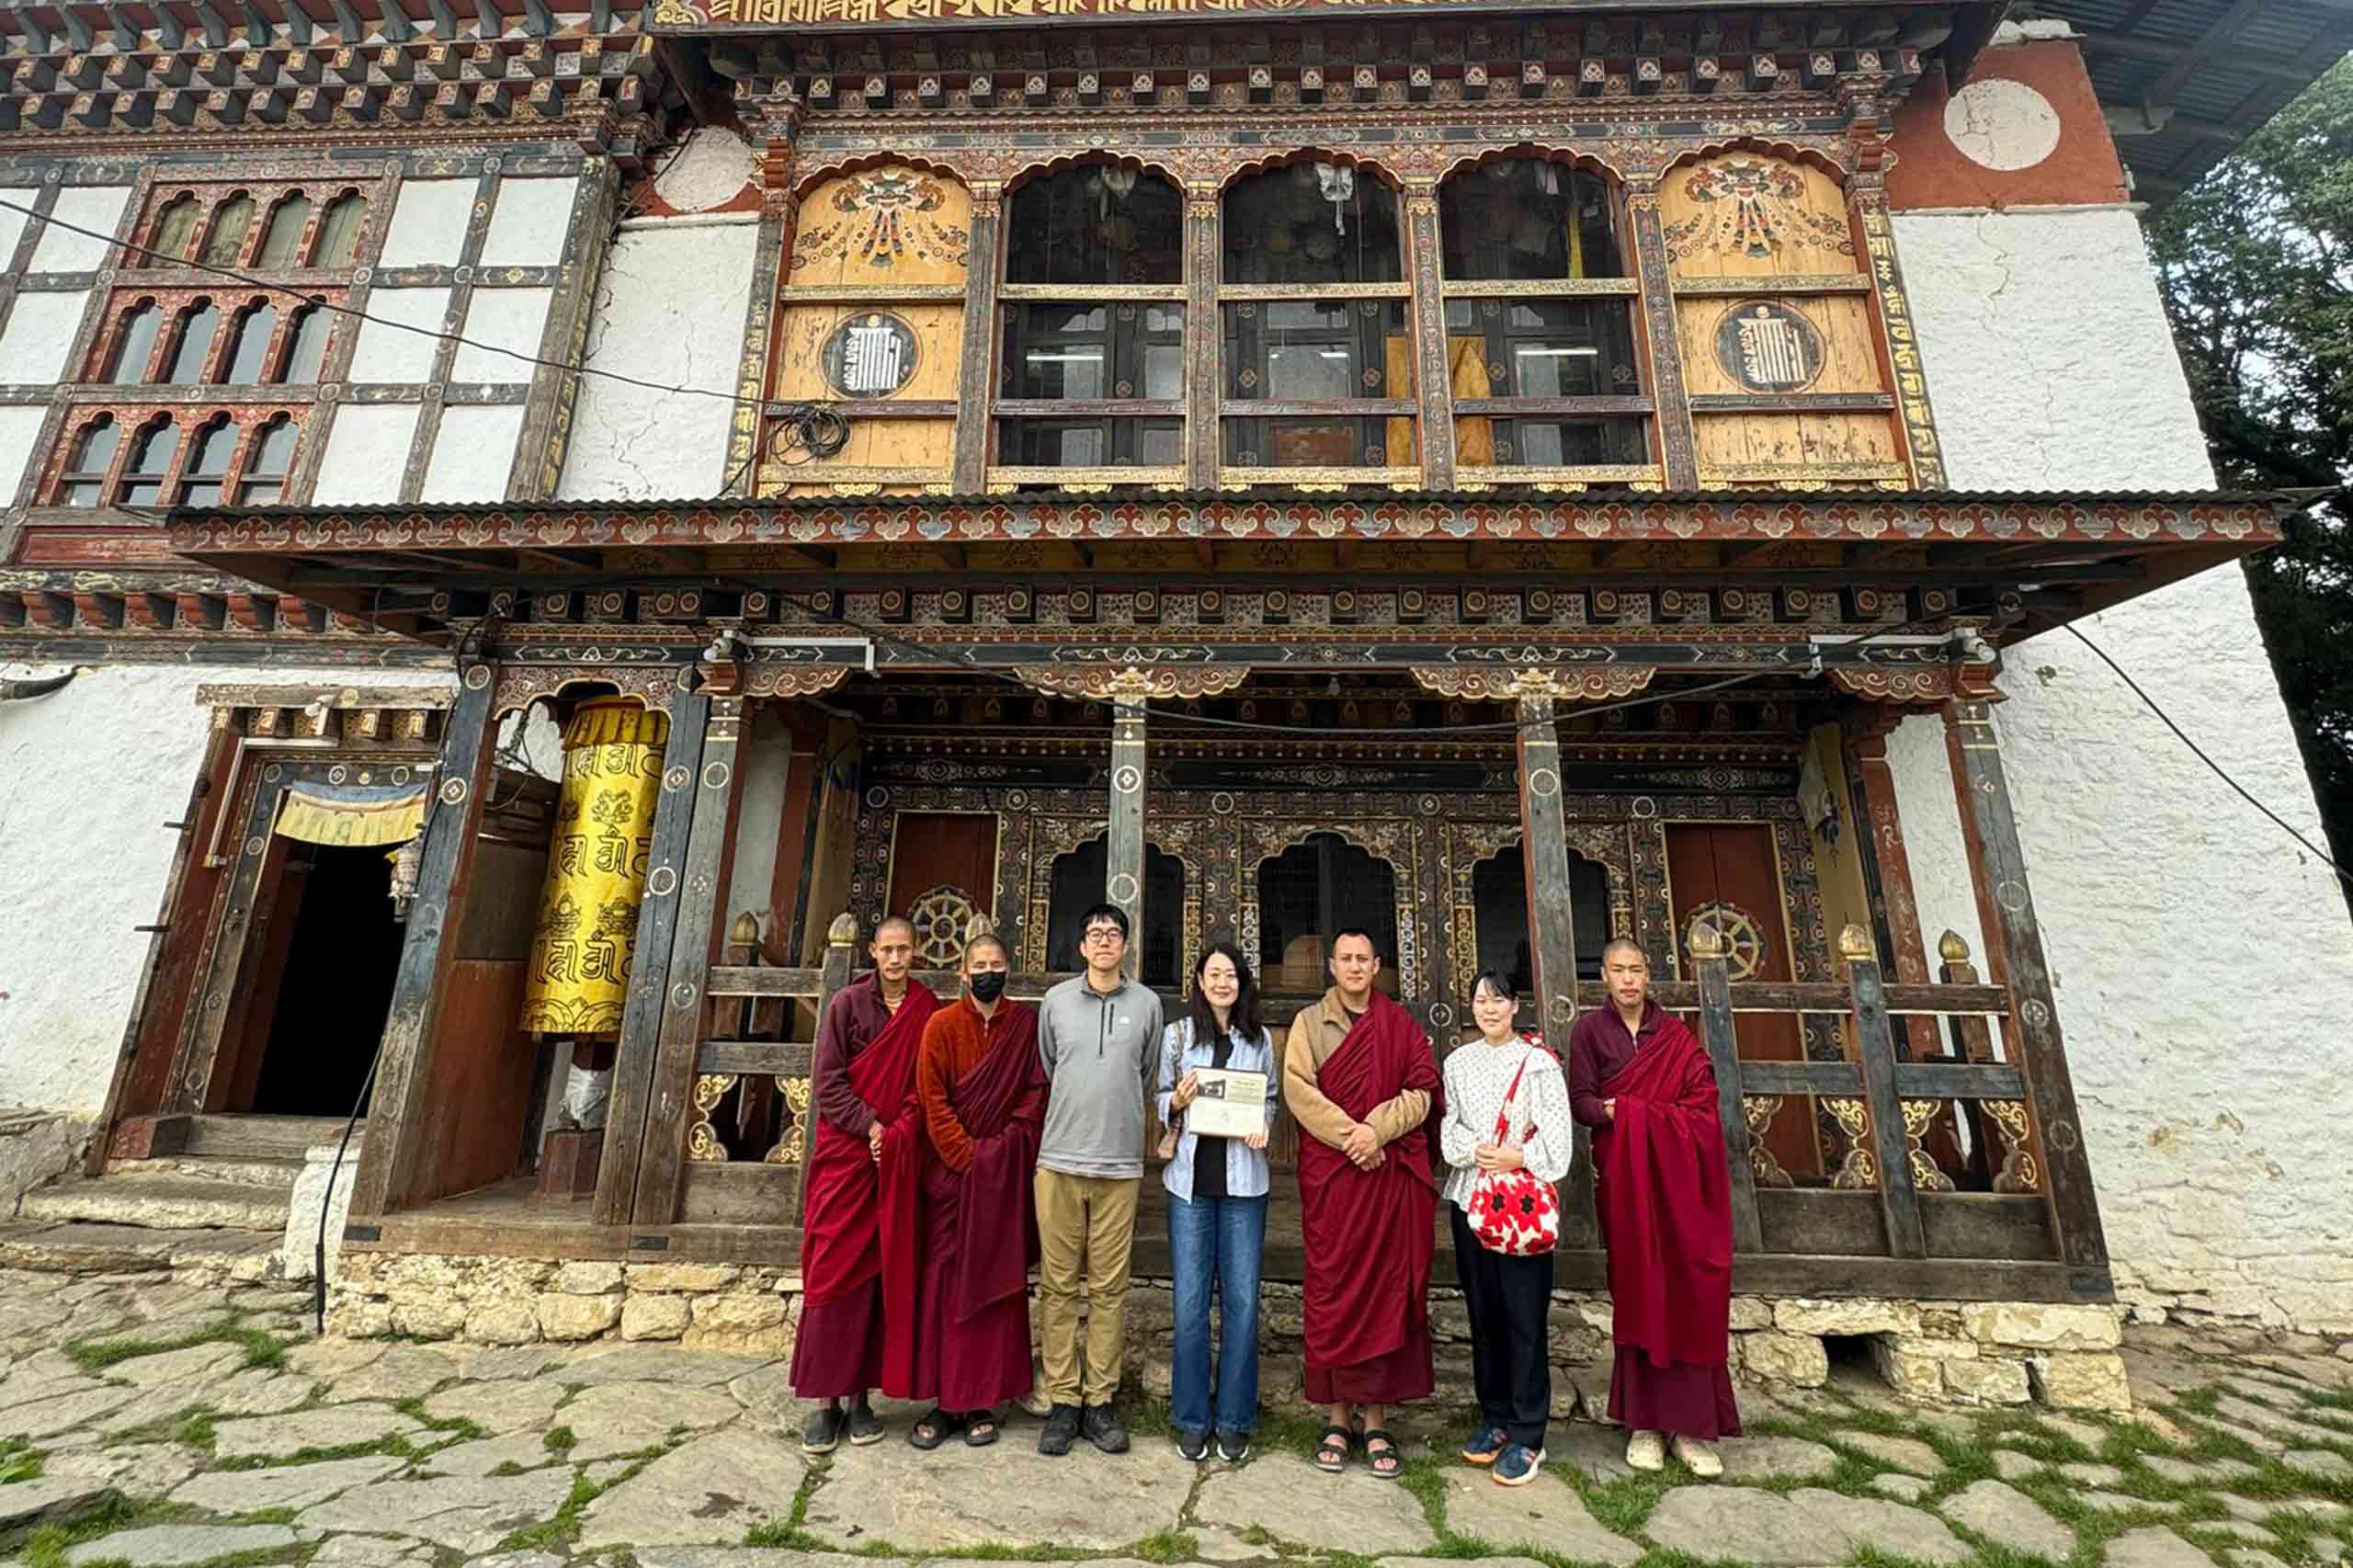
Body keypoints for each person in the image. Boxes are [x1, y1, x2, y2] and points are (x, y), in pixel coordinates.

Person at [1568, 937, 1740, 1478]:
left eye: (1636, 970)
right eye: (1617, 970)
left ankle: (1690, 1429)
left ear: (1648, 976)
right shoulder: (1589, 1034)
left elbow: (1706, 1108)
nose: (1627, 980)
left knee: (1689, 1292)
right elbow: (1582, 1103)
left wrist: (1639, 1113)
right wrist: (1619, 1113)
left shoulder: (1676, 1038)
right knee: (1640, 1290)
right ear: (1604, 976)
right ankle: (1643, 1424)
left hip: (1682, 1189)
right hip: (1625, 1181)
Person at [1283, 926, 1438, 1481]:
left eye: (1363, 959)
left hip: (1383, 1179)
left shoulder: (1399, 1025)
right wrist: (1352, 1136)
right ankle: (1335, 1416)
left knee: (1382, 1294)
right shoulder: (1308, 1024)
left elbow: (1423, 1091)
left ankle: (1374, 1418)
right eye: (1344, 958)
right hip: (1336, 1181)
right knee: (1334, 1291)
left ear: (1377, 967)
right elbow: (1298, 1091)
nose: (1353, 967)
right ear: (1331, 965)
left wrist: (1377, 1131)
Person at [886, 929, 1047, 1450]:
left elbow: (1034, 1092)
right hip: (952, 1181)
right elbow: (932, 1101)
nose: (987, 972)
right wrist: (968, 1158)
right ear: (963, 973)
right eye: (978, 964)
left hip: (1000, 1179)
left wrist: (998, 1152)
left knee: (995, 1290)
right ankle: (942, 1401)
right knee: (943, 1288)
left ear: (1008, 970)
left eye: (996, 963)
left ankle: (983, 1400)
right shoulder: (941, 1026)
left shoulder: (1024, 1025)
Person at [792, 915, 939, 1453]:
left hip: (897, 1159)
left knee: (879, 1275)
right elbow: (828, 1082)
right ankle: (824, 1404)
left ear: (916, 952)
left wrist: (898, 1132)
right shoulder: (847, 1006)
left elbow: (928, 1083)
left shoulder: (927, 1011)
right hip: (848, 1157)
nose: (896, 959)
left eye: (905, 950)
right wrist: (871, 1127)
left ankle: (860, 1401)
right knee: (832, 1275)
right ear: (872, 953)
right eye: (887, 950)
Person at [1033, 903, 1165, 1457]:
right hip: (1060, 1161)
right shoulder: (1056, 1002)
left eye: (1114, 934)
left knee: (1110, 1288)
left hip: (1118, 1166)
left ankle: (1100, 1399)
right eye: (1095, 934)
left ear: (1126, 946)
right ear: (1082, 946)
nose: (1105, 942)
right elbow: (1048, 1065)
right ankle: (1064, 1399)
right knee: (1060, 1286)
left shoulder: (1148, 1005)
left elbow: (1147, 1071)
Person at [1438, 971, 1573, 1487]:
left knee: (1523, 1317)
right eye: (1479, 999)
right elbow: (1449, 1131)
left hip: (1519, 1205)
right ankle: (1493, 1415)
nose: (1488, 1008)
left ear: (1515, 1006)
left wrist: (1518, 1155)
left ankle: (1527, 1431)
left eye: (1498, 999)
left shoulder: (1538, 1065)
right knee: (1484, 1314)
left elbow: (1558, 1144)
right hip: (1471, 1198)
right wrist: (1476, 1152)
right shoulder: (1457, 1063)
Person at [1156, 942, 1279, 1464]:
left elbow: (1268, 1098)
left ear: (1242, 981)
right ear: (1200, 982)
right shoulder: (1177, 1035)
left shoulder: (1261, 1039)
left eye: (1232, 974)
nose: (1223, 982)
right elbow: (1160, 1094)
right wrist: (1176, 1101)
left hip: (1244, 1187)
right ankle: (1190, 1418)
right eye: (1214, 973)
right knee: (1189, 1305)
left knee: (1242, 1303)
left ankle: (1234, 1419)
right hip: (1189, 1185)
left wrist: (1263, 1127)